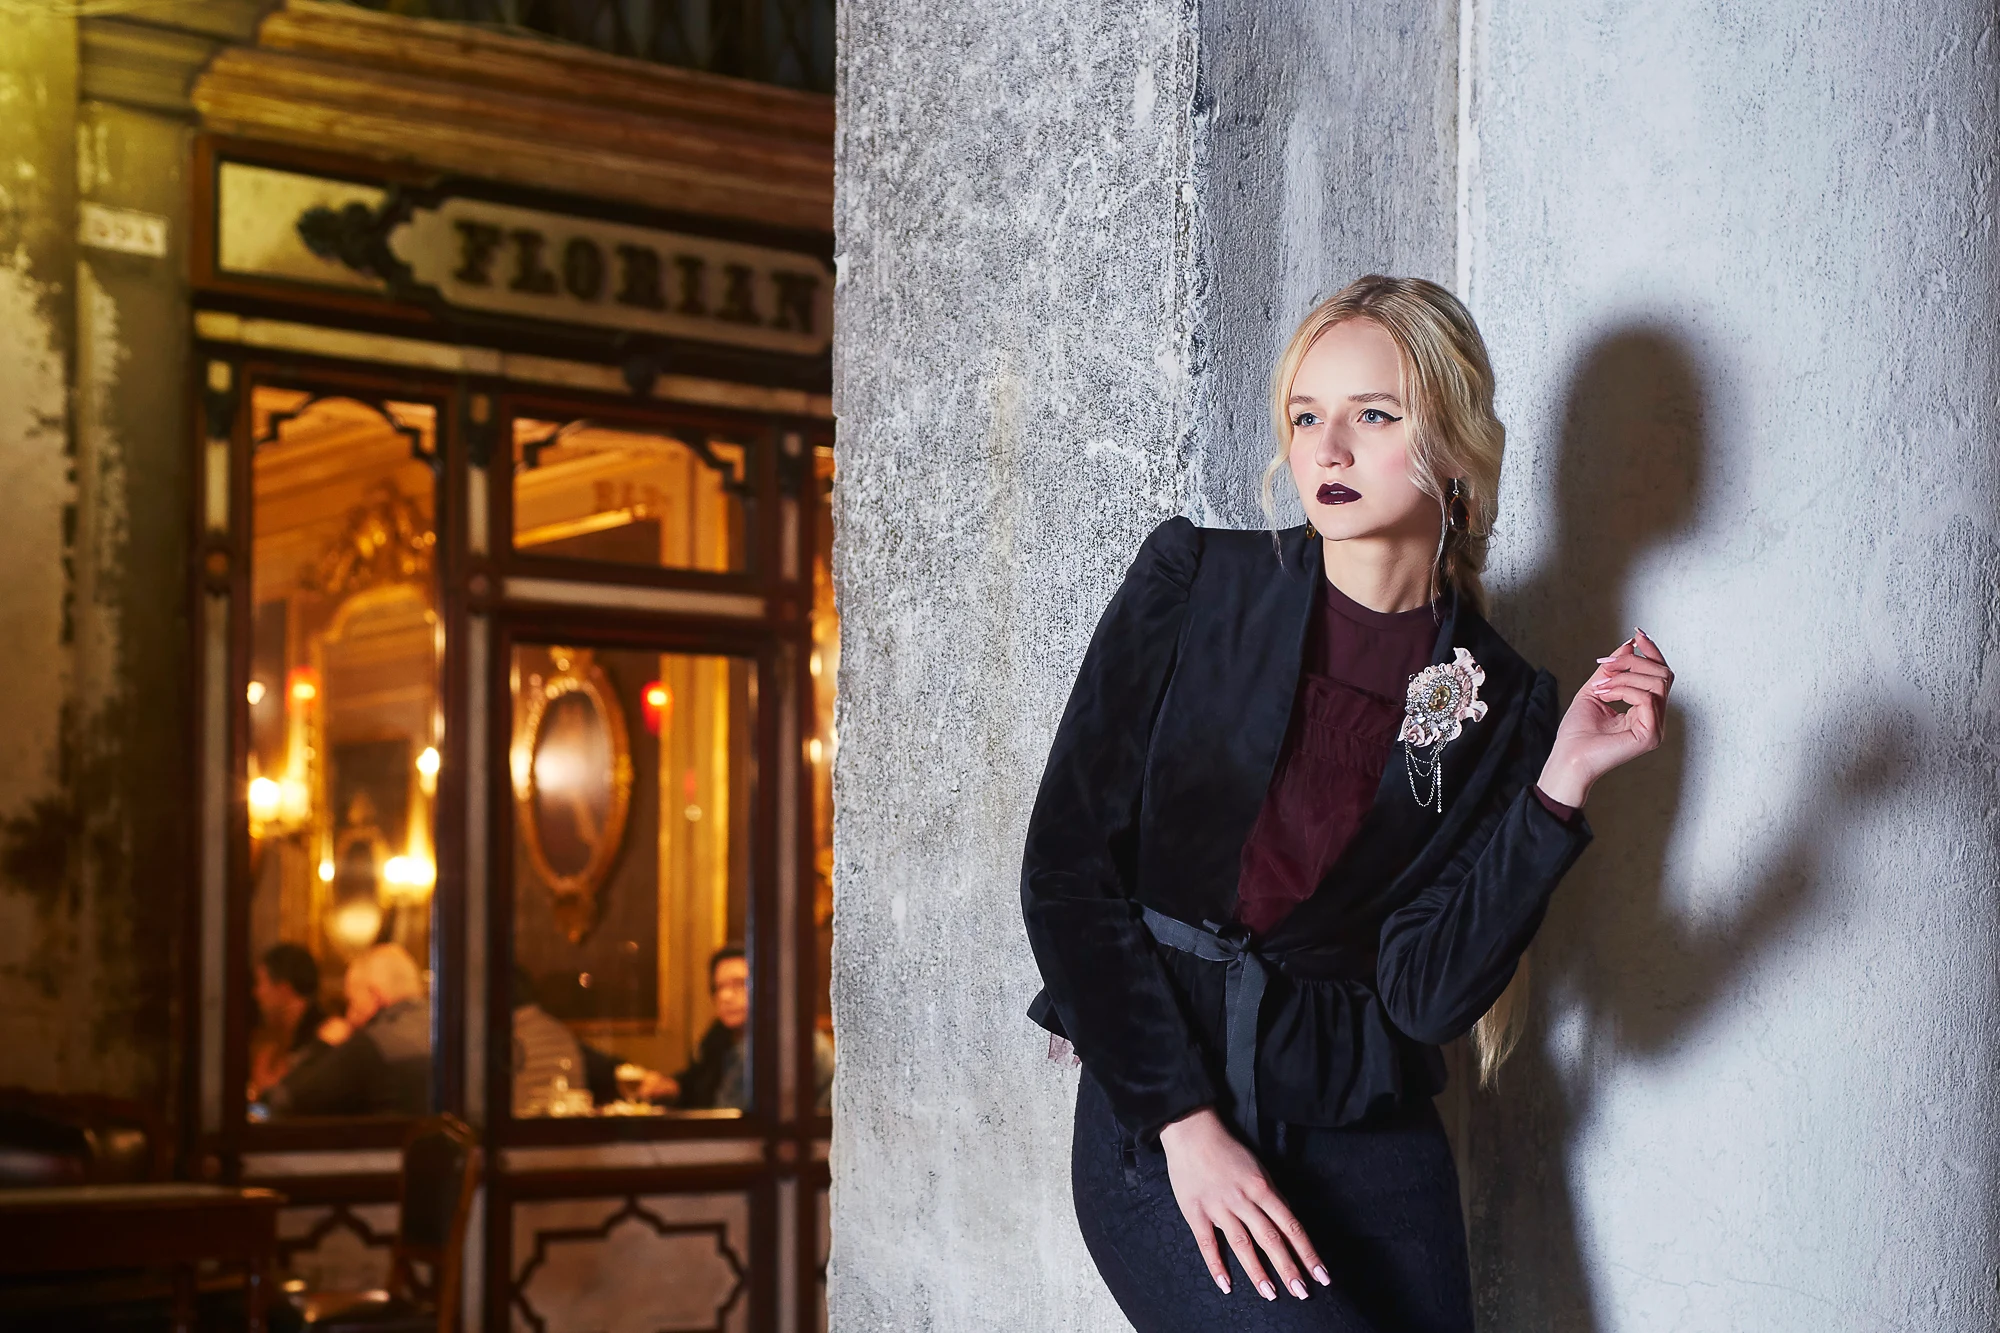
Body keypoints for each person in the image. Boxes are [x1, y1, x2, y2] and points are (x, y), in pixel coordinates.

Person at [1020, 275, 1673, 1331]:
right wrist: (1184, 1127)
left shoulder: (1500, 699)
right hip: (1167, 1107)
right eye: (1306, 416)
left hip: (1368, 1135)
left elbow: (1423, 993)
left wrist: (1559, 786)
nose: (1327, 450)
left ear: (1452, 448)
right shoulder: (1194, 583)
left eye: (1372, 415)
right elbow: (1064, 878)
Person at [657, 945, 835, 1113]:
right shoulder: (720, 1038)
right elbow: (698, 1083)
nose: (725, 996)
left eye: (739, 984)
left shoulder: (777, 1043)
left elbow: (724, 1129)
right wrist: (670, 1088)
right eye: (719, 987)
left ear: (768, 987)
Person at [263, 943, 432, 1118]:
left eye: (352, 1002)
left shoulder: (373, 1044)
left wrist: (323, 1046)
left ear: (375, 996)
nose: (349, 1016)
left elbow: (282, 1100)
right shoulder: (441, 1029)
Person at [248, 943, 325, 1101]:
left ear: (283, 989)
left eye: (261, 983)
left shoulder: (323, 1041)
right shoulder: (277, 1040)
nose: (256, 993)